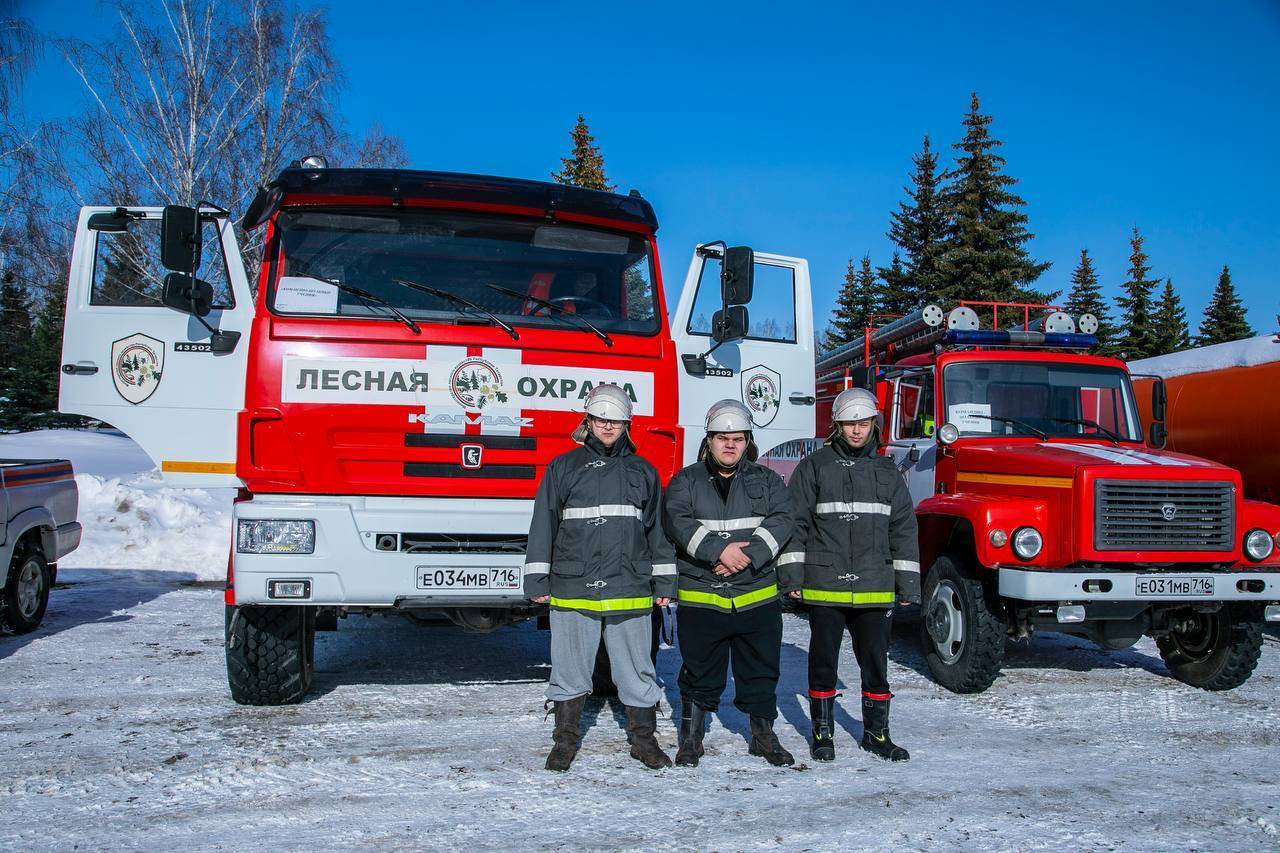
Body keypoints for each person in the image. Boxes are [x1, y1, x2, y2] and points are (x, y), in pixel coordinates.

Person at [524, 384, 676, 772]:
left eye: (616, 421)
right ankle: (564, 741)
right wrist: (537, 579)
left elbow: (657, 532)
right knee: (569, 668)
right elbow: (544, 525)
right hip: (574, 585)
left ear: (627, 425)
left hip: (629, 586)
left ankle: (644, 741)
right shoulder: (563, 467)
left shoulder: (643, 471)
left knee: (637, 670)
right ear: (588, 421)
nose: (608, 426)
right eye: (601, 419)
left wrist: (664, 583)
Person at [779, 386, 920, 762]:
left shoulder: (888, 472)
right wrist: (792, 576)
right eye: (849, 423)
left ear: (874, 425)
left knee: (875, 662)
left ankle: (877, 733)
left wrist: (908, 583)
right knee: (822, 660)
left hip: (875, 585)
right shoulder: (814, 467)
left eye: (863, 423)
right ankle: (822, 733)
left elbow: (903, 529)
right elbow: (795, 524)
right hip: (825, 584)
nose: (857, 430)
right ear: (836, 426)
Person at [662, 399, 796, 767]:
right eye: (722, 438)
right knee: (698, 670)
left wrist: (748, 555)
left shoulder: (767, 480)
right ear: (708, 440)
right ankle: (691, 739)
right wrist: (719, 551)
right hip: (703, 595)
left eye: (738, 438)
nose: (730, 445)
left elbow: (784, 518)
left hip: (756, 595)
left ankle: (763, 737)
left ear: (748, 441)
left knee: (761, 670)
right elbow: (676, 520)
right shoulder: (686, 481)